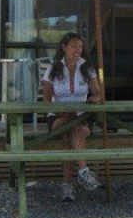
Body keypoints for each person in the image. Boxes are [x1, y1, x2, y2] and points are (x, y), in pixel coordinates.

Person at [42, 32, 102, 201]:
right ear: (64, 47)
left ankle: (67, 185)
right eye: (73, 47)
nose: (77, 50)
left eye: (80, 47)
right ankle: (83, 172)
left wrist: (96, 97)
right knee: (70, 124)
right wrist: (59, 111)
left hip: (81, 117)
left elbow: (98, 91)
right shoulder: (53, 69)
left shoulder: (87, 68)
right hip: (57, 118)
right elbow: (46, 100)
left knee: (71, 131)